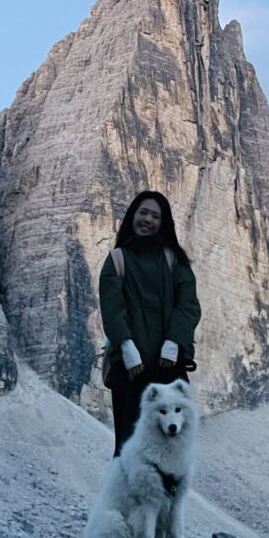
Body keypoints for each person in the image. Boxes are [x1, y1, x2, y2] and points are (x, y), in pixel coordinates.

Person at [99, 190, 201, 456]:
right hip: (130, 371)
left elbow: (188, 303)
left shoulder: (173, 260)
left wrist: (174, 341)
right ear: (132, 215)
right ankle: (125, 497)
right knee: (129, 448)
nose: (147, 219)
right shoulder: (117, 260)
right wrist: (126, 346)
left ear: (163, 222)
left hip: (168, 369)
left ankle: (166, 497)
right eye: (143, 212)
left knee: (172, 449)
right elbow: (112, 309)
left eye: (155, 216)